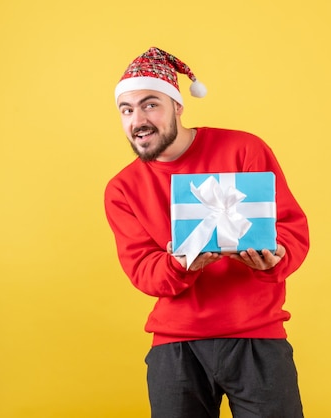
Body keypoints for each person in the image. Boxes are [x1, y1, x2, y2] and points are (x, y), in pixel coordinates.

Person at [104, 47, 310, 418]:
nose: (138, 119)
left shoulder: (243, 149)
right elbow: (143, 271)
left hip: (257, 337)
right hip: (177, 346)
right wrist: (180, 265)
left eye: (151, 105)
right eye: (127, 109)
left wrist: (274, 261)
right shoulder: (122, 189)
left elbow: (291, 229)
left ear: (178, 106)